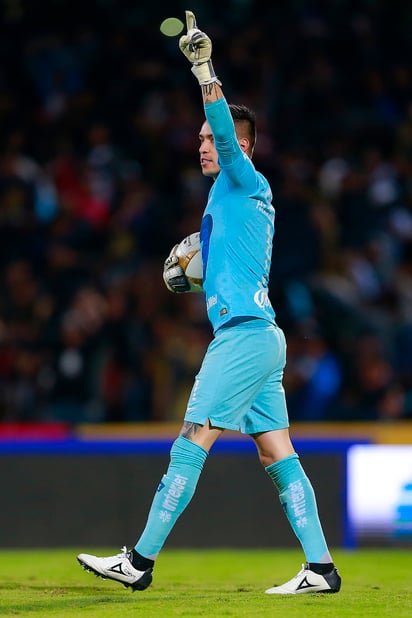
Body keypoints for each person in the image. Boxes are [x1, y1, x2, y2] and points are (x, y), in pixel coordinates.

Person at [77, 10, 341, 596]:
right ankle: (321, 569)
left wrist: (205, 73)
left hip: (243, 338)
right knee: (278, 453)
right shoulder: (231, 202)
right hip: (261, 336)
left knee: (192, 438)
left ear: (242, 147)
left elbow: (224, 130)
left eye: (210, 139)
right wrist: (198, 273)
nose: (202, 145)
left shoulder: (246, 181)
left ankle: (139, 561)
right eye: (200, 139)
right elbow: (226, 264)